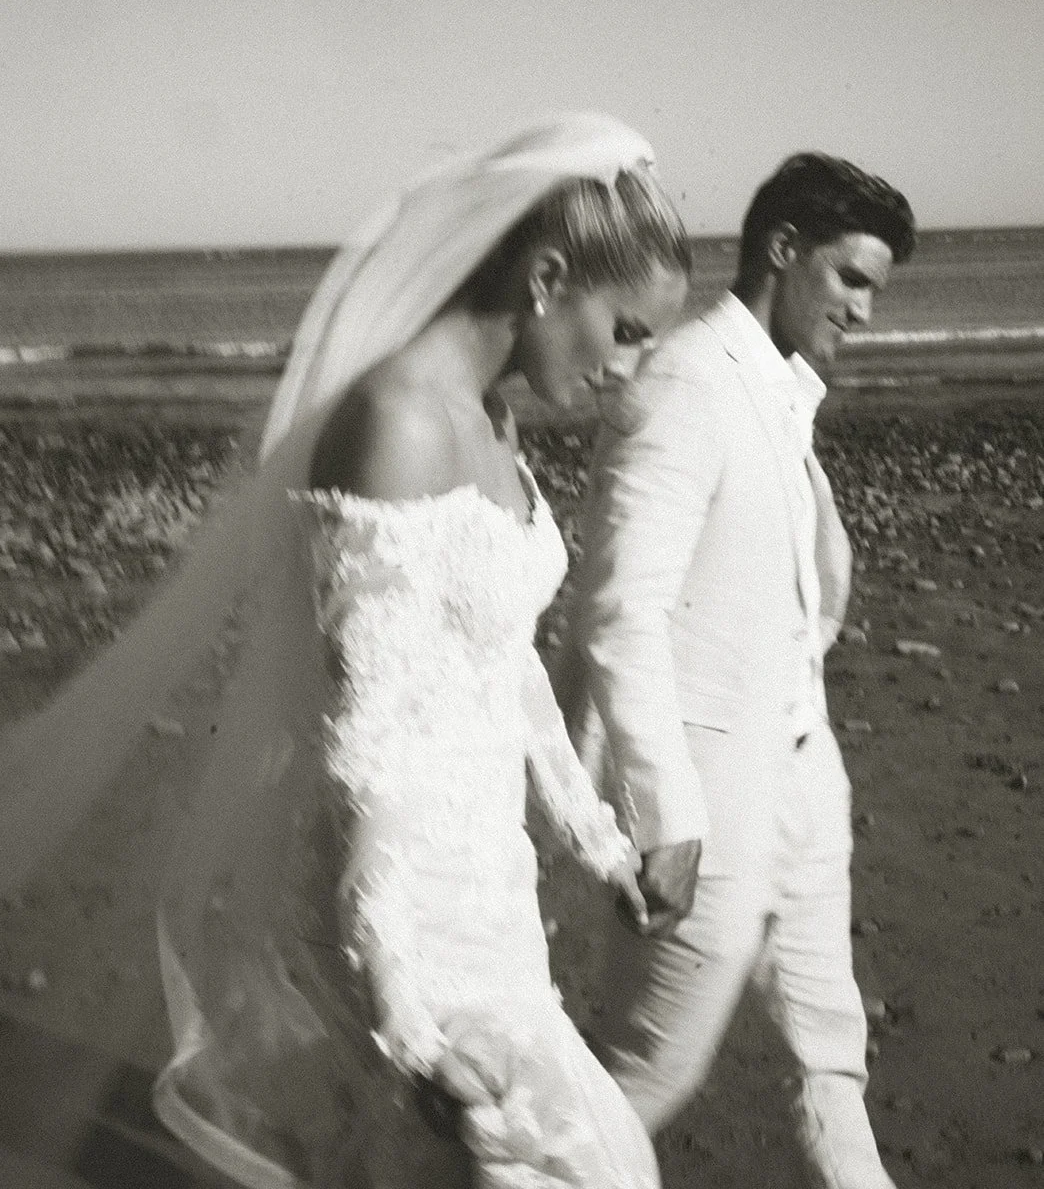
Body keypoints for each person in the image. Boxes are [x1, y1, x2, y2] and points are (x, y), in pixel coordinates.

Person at [0, 113, 691, 1189]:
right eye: (628, 330)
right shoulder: (398, 424)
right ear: (549, 277)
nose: (627, 368)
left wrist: (601, 843)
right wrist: (405, 1020)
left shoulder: (492, 418)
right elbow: (363, 750)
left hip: (493, 904)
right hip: (410, 919)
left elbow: (499, 659)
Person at [565, 153, 916, 1189]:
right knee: (642, 1076)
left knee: (829, 1052)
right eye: (850, 279)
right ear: (783, 250)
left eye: (875, 292)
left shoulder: (779, 385)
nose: (862, 310)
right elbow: (618, 613)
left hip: (805, 775)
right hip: (705, 801)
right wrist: (664, 813)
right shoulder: (683, 385)